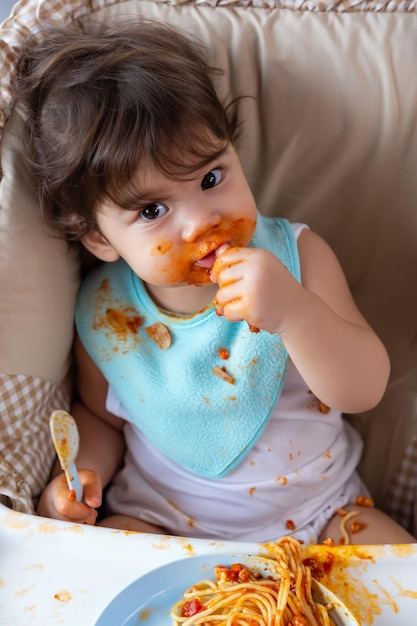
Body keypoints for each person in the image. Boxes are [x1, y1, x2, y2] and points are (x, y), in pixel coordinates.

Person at [15, 20, 415, 545]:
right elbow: (102, 419)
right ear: (98, 238)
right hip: (163, 526)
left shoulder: (298, 258)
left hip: (324, 516)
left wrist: (296, 313)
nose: (200, 221)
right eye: (153, 209)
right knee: (109, 561)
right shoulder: (105, 310)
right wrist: (81, 478)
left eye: (210, 178)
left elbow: (363, 389)